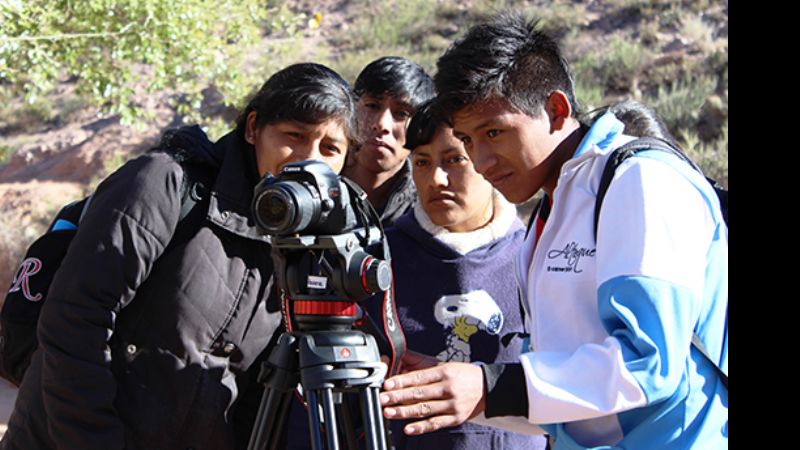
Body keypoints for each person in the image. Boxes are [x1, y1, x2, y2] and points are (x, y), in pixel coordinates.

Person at [378, 12, 728, 450]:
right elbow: (566, 403)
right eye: (468, 141)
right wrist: (459, 387)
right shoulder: (552, 210)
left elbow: (649, 364)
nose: (482, 160)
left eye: (494, 132)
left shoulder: (638, 180)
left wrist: (491, 387)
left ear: (556, 110)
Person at [0, 62, 358, 450]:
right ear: (253, 128)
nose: (309, 160)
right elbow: (73, 320)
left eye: (330, 148)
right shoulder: (165, 183)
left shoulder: (298, 243)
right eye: (294, 135)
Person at [367, 100, 547, 449]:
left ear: (487, 159)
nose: (436, 178)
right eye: (421, 162)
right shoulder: (378, 261)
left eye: (454, 160)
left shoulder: (538, 255)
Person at [341, 56, 435, 228]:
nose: (382, 124)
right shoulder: (319, 182)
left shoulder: (428, 204)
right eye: (372, 106)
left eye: (401, 114)